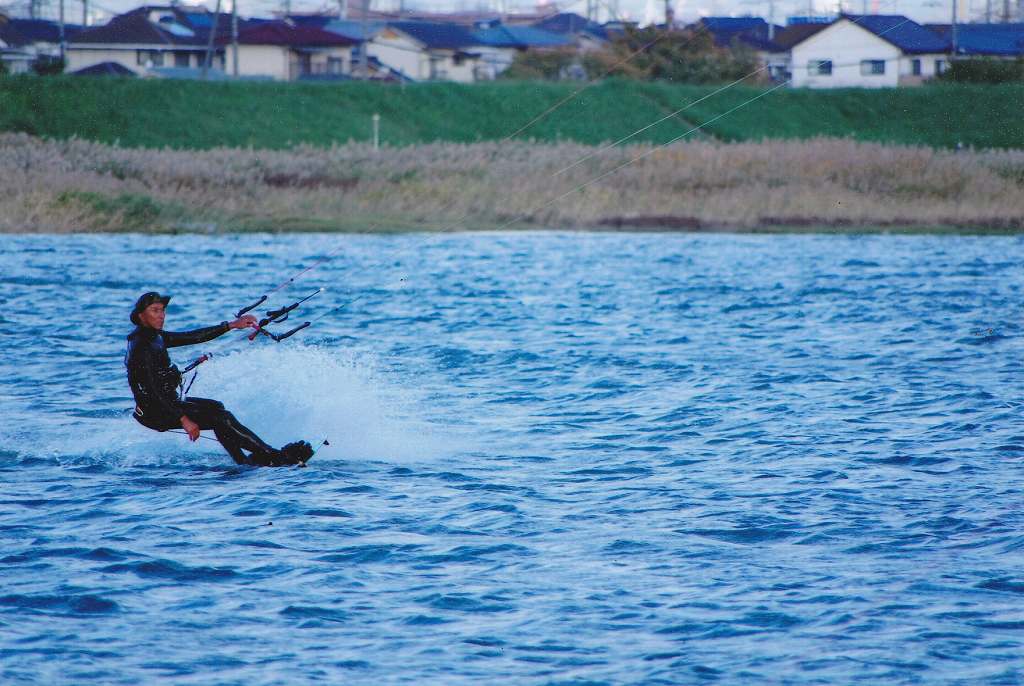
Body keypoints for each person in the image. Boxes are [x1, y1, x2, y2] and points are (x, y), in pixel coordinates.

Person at [125, 291, 313, 467]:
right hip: (155, 411)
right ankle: (273, 456)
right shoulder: (141, 346)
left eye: (163, 311)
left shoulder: (153, 336)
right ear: (141, 315)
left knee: (217, 407)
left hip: (165, 402)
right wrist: (183, 419)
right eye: (155, 311)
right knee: (221, 418)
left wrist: (231, 325)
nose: (161, 316)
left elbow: (192, 337)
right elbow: (152, 391)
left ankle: (242, 461)